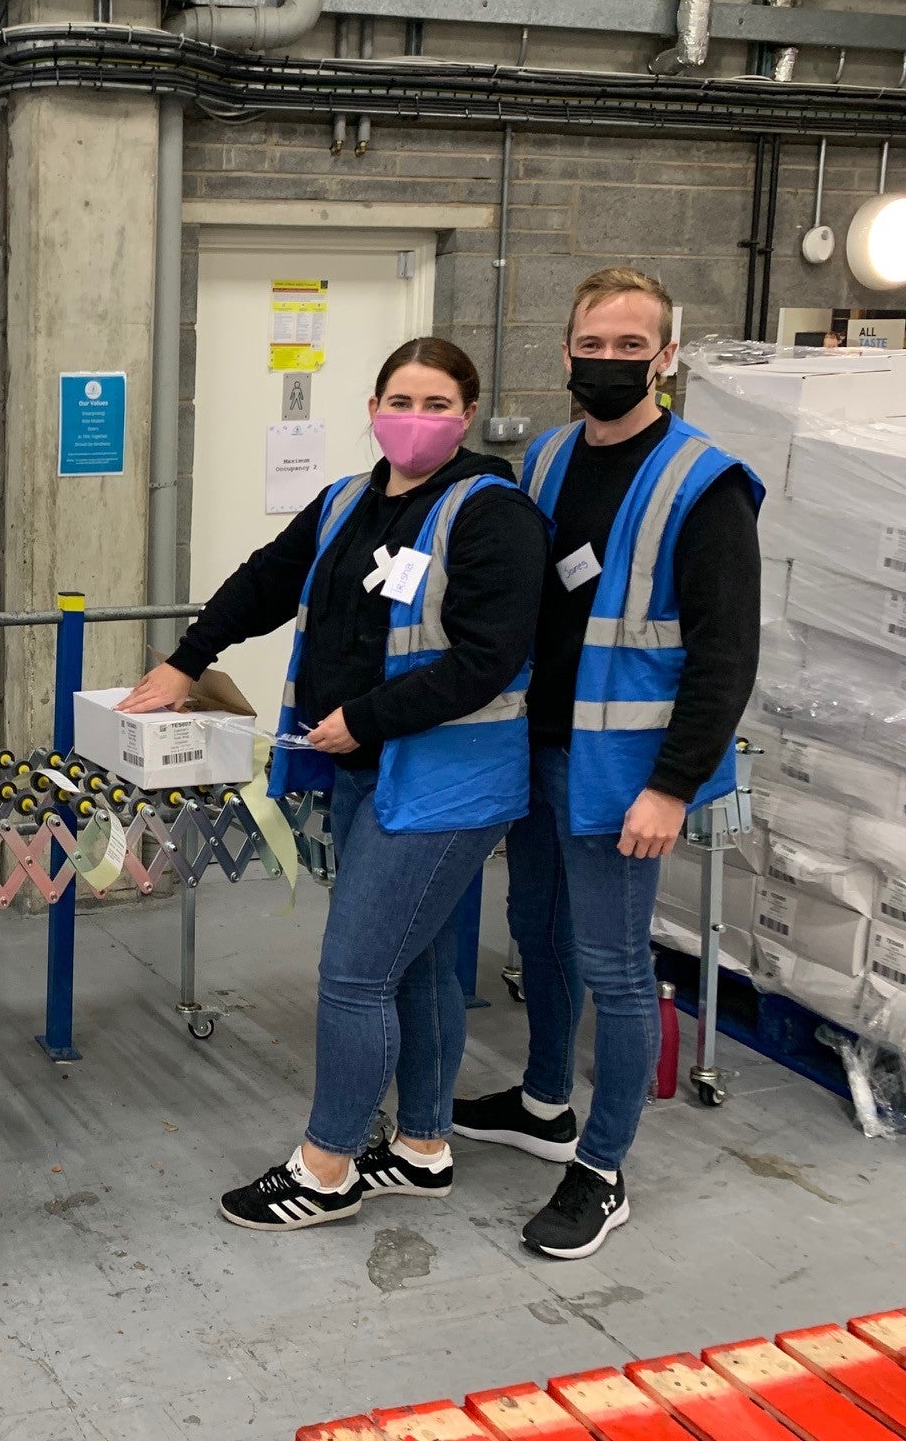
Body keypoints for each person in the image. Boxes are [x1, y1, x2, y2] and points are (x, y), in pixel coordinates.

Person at [121, 338, 549, 1232]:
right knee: (421, 960)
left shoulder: (491, 512)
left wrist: (366, 717)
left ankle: (327, 1169)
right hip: (368, 770)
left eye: (437, 404)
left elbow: (486, 658)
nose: (415, 418)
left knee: (355, 974)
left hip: (445, 783)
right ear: (372, 407)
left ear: (468, 415)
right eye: (400, 398)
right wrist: (184, 662)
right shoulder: (350, 500)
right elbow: (265, 582)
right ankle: (424, 1147)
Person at [452, 268, 762, 1260]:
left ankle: (604, 1165)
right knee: (535, 937)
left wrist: (672, 785)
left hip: (628, 777)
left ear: (668, 356)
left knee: (617, 969)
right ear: (567, 349)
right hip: (539, 753)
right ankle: (546, 1101)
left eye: (635, 346)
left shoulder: (703, 484)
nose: (613, 360)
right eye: (597, 342)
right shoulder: (543, 461)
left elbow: (726, 656)